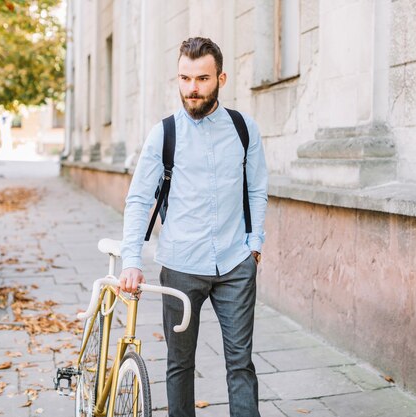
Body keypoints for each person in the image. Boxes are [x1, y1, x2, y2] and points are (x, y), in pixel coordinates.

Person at [118, 37, 268, 417]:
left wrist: (254, 245)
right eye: (184, 79)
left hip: (236, 265)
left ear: (221, 78)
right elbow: (139, 199)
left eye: (202, 79)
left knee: (241, 365)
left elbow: (257, 189)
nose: (192, 89)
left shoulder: (243, 129)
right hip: (181, 267)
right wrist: (131, 260)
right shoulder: (164, 133)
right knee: (179, 365)